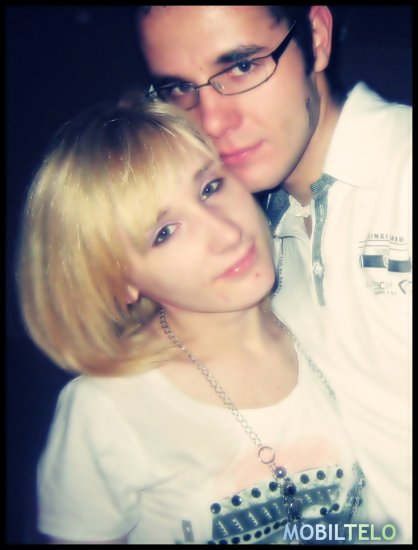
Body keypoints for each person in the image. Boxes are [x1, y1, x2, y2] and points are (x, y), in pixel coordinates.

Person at [16, 93, 370, 544]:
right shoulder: (108, 409)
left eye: (210, 187)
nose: (225, 232)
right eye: (164, 232)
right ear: (121, 281)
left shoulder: (323, 314)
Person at [135, 5, 412, 543]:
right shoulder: (253, 251)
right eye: (179, 88)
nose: (212, 122)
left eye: (241, 66)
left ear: (317, 37)